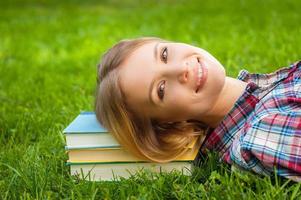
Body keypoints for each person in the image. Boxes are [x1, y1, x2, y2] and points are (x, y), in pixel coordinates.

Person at [95, 36, 301, 182]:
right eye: (161, 89)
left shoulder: (267, 92)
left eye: (164, 54)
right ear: (170, 124)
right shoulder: (260, 135)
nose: (180, 69)